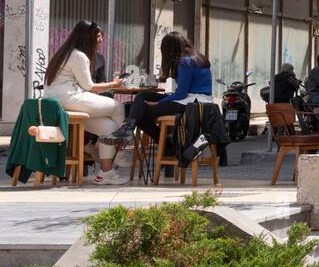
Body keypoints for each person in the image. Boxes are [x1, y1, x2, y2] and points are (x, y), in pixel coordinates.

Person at [43, 21, 126, 184]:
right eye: (98, 35)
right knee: (118, 107)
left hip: (59, 102)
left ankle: (105, 172)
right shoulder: (79, 55)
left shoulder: (65, 52)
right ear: (88, 38)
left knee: (109, 128)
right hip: (70, 99)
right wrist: (114, 84)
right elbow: (89, 86)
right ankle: (118, 147)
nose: (101, 39)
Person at [108, 33, 213, 146]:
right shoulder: (197, 58)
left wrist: (158, 102)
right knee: (142, 97)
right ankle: (129, 131)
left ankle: (165, 146)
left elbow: (181, 94)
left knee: (135, 111)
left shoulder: (185, 63)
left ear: (168, 50)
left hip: (192, 103)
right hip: (198, 101)